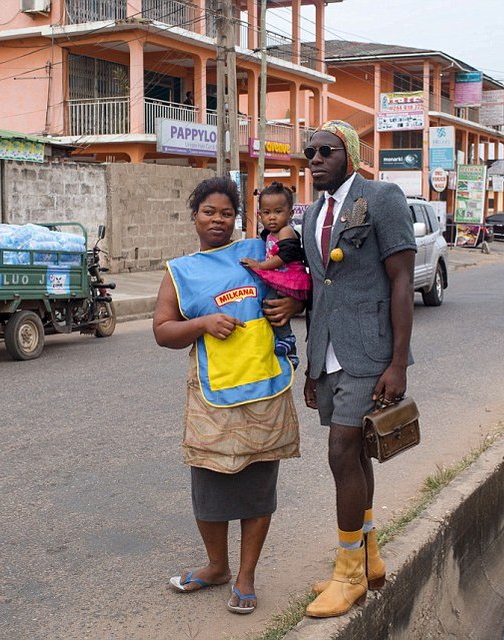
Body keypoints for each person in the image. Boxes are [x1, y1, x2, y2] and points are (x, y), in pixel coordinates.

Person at [154, 177, 300, 615]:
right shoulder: (179, 271)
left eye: (226, 213)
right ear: (194, 215)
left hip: (264, 387)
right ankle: (217, 566)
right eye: (208, 212)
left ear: (238, 217)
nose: (217, 220)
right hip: (212, 395)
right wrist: (201, 324)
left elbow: (299, 284)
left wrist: (293, 305)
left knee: (258, 487)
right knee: (210, 487)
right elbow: (163, 331)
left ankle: (246, 575)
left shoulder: (260, 252)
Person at [300, 120, 416, 618]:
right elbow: (320, 291)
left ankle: (347, 574)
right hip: (328, 352)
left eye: (326, 150)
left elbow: (402, 280)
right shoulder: (310, 216)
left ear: (348, 153)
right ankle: (368, 556)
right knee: (358, 455)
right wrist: (311, 366)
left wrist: (397, 363)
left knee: (342, 451)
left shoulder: (383, 196)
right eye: (310, 152)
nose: (316, 159)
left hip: (370, 353)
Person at [240, 182, 311, 368]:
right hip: (280, 278)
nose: (272, 217)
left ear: (290, 213)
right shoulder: (269, 234)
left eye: (278, 212)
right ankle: (283, 343)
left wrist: (260, 266)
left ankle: (288, 340)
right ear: (259, 214)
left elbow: (285, 255)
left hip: (289, 278)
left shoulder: (286, 231)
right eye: (266, 212)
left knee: (270, 305)